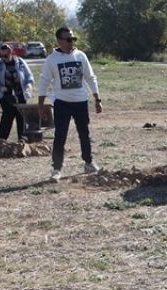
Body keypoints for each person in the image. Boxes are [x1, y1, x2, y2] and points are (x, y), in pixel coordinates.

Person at [37, 26, 102, 182]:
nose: (71, 42)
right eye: (68, 39)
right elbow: (44, 81)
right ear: (59, 41)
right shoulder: (52, 59)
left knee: (84, 134)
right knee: (60, 136)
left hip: (81, 102)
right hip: (62, 103)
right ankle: (56, 169)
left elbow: (90, 77)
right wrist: (40, 104)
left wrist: (97, 99)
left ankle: (88, 162)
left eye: (73, 39)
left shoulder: (80, 56)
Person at [0, 43, 33, 142]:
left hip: (20, 92)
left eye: (6, 56)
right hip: (4, 94)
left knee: (21, 114)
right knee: (8, 114)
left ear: (11, 53)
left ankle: (23, 138)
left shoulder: (20, 62)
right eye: (2, 56)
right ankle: (2, 138)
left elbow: (29, 76)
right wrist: (2, 88)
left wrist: (28, 86)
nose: (4, 58)